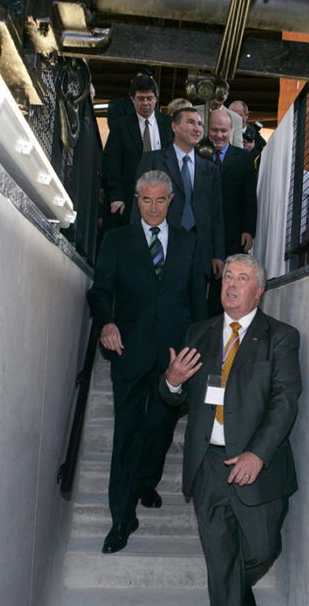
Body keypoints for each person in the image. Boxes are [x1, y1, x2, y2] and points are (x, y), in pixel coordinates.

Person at [162, 253, 302, 606]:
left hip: (257, 466)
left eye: (242, 279)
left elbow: (285, 401)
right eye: (227, 277)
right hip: (208, 464)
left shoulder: (280, 338)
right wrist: (172, 381)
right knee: (221, 564)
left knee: (262, 550)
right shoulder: (199, 333)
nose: (232, 285)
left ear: (259, 291)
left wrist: (258, 453)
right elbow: (169, 396)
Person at [86, 170, 207, 554]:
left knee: (160, 427)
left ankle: (145, 481)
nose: (153, 208)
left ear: (172, 200)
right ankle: (121, 518)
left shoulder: (189, 244)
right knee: (127, 432)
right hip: (130, 352)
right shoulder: (117, 241)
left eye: (160, 200)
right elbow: (101, 291)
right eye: (146, 200)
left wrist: (196, 353)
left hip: (173, 357)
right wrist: (106, 322)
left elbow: (198, 305)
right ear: (137, 200)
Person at [136, 106, 225, 283]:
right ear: (174, 127)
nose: (197, 128)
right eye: (190, 122)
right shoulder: (153, 160)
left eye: (200, 124)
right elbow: (138, 206)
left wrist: (218, 254)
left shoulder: (210, 170)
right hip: (160, 245)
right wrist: (137, 248)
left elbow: (216, 214)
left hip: (199, 249)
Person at [101, 74, 173, 228]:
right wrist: (116, 197)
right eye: (141, 98)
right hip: (129, 198)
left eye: (149, 98)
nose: (145, 103)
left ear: (156, 98)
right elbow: (113, 165)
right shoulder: (120, 126)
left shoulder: (168, 125)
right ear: (132, 99)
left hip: (162, 196)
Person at [206, 109, 258, 315]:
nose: (219, 135)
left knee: (226, 282)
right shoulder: (197, 154)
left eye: (223, 131)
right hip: (202, 231)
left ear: (231, 131)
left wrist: (248, 230)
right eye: (214, 130)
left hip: (233, 232)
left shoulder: (244, 159)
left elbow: (249, 198)